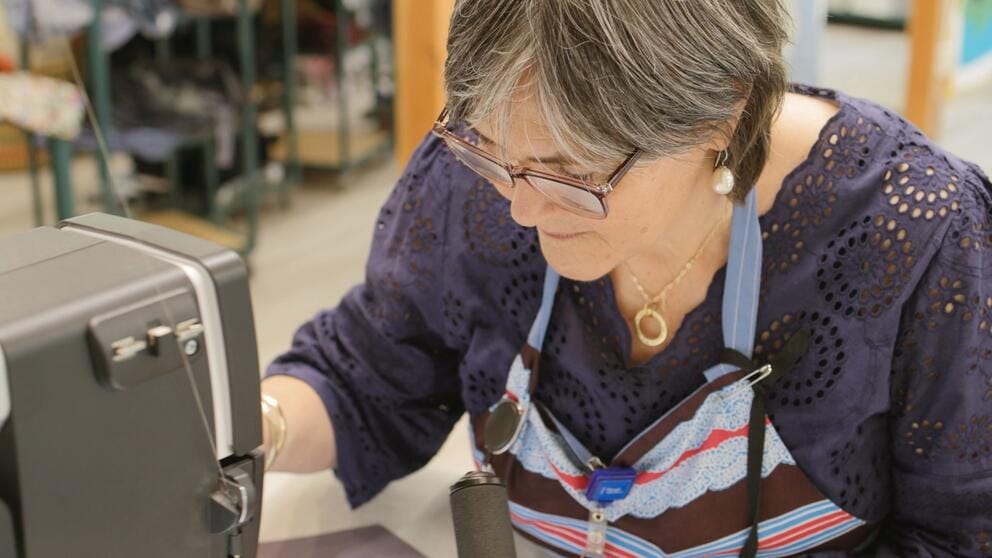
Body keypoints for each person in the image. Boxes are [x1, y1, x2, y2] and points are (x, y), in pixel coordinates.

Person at [259, 1, 992, 555]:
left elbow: (961, 535)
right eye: (490, 150)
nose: (520, 205)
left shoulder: (916, 234)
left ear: (725, 116)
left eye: (572, 174)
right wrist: (260, 426)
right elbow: (369, 378)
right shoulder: (484, 180)